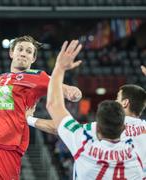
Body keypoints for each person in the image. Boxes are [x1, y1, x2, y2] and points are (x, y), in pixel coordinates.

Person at [0, 35, 82, 179]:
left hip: (7, 148)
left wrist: (72, 92)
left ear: (33, 59)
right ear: (11, 53)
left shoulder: (38, 76)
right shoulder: (2, 78)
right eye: (20, 49)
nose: (23, 53)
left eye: (28, 51)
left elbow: (65, 89)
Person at [45, 39, 144, 179]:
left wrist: (59, 67)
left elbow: (53, 105)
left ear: (96, 129)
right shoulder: (138, 155)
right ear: (123, 129)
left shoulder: (82, 144)